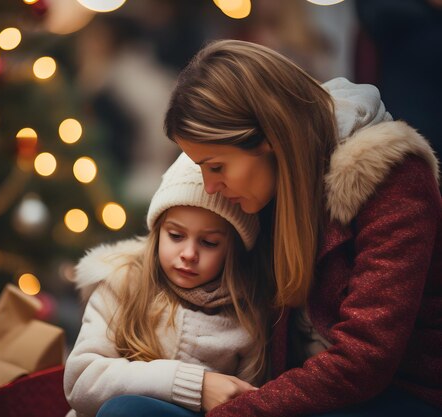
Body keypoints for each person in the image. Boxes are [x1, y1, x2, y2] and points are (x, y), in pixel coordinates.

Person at [97, 40, 442, 417]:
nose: (210, 189)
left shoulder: (394, 180)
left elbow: (363, 361)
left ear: (270, 140)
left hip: (394, 398)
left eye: (216, 167)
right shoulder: (262, 188)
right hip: (281, 395)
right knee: (127, 410)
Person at [64, 152, 271, 417]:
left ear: (234, 251)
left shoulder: (247, 317)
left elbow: (247, 401)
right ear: (158, 232)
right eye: (175, 235)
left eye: (209, 242)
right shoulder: (122, 284)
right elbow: (81, 381)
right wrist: (195, 386)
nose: (188, 253)